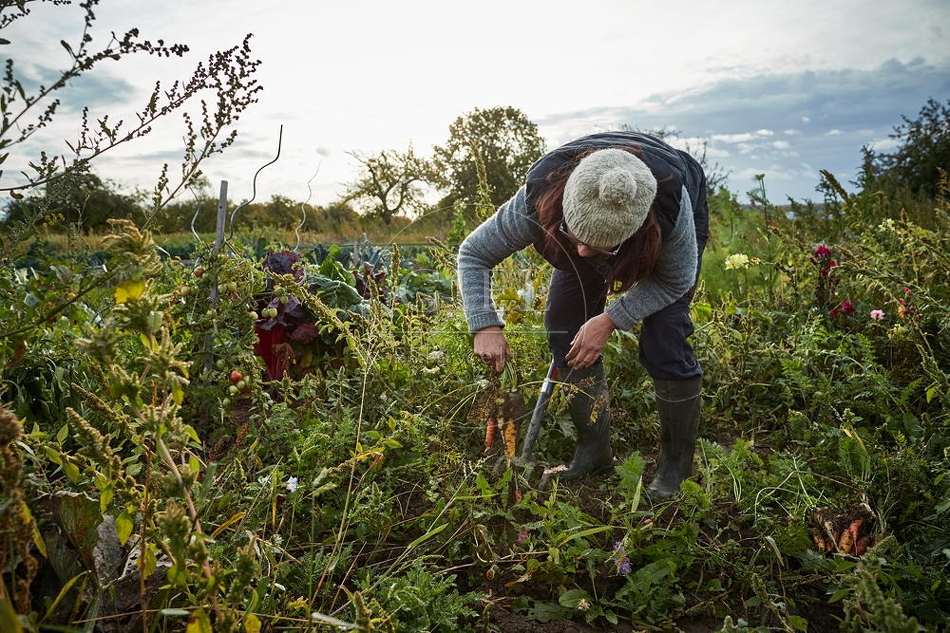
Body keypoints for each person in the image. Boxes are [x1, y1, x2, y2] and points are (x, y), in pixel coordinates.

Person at [457, 131, 709, 498]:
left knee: (664, 337)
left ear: (635, 232)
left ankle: (676, 466)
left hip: (671, 200)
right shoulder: (538, 196)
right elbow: (474, 254)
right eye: (573, 236)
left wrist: (611, 319)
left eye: (597, 246)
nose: (582, 252)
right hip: (583, 211)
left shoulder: (670, 212)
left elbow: (674, 282)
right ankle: (594, 451)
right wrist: (485, 322)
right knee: (564, 327)